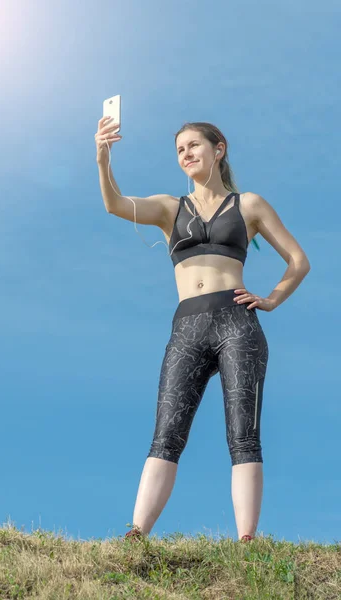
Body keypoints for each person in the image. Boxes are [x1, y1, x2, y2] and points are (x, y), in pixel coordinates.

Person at [95, 116, 311, 543]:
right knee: (167, 432)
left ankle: (247, 539)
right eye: (179, 150)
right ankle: (137, 533)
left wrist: (270, 299)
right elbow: (115, 204)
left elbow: (298, 261)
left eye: (194, 145)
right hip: (187, 328)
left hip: (238, 324)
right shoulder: (169, 208)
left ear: (219, 148)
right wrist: (103, 158)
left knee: (243, 433)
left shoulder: (248, 205)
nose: (186, 154)